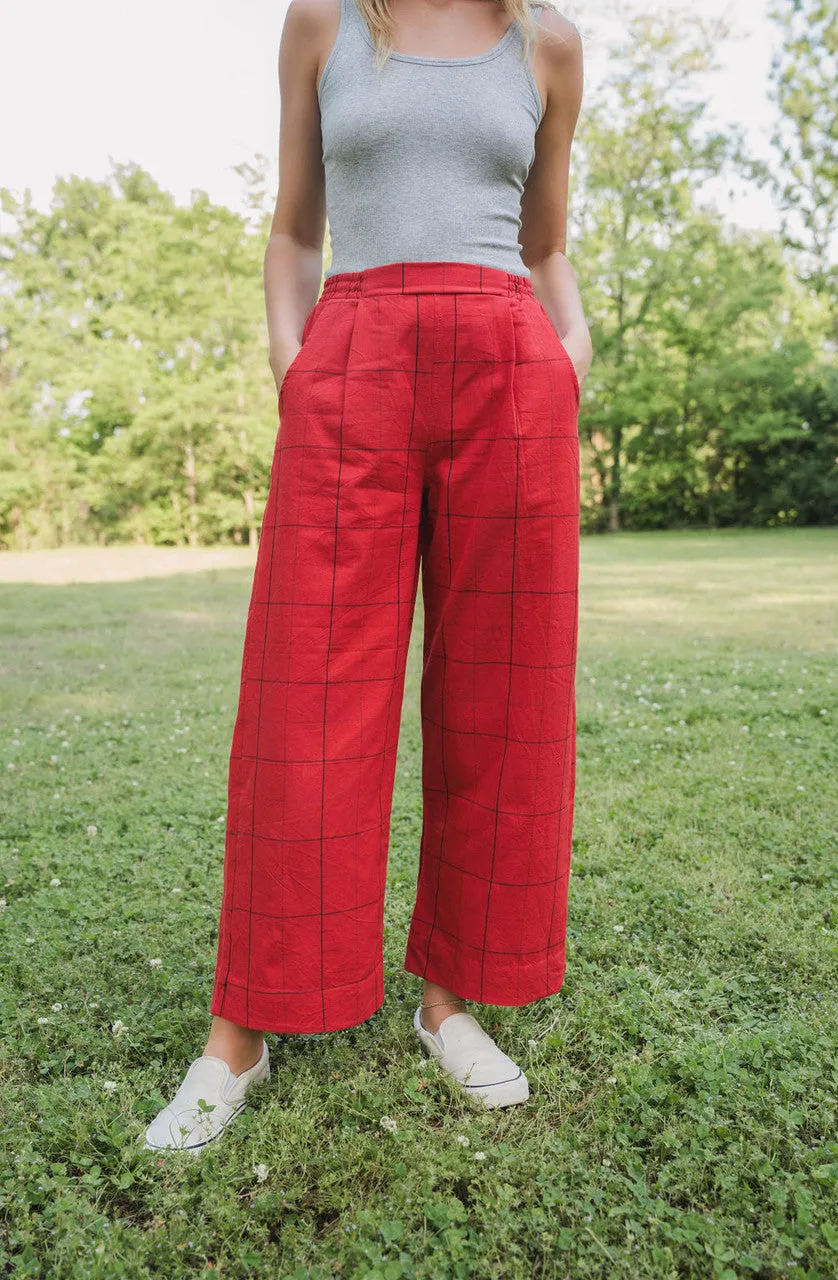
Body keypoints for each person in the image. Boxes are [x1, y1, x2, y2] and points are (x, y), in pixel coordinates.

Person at [144, 0, 591, 1152]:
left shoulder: (546, 43)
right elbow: (293, 230)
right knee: (305, 701)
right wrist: (298, 370)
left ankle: (452, 998)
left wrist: (566, 360)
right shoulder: (324, 24)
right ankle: (241, 1026)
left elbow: (544, 247)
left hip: (508, 364)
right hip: (356, 360)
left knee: (504, 698)